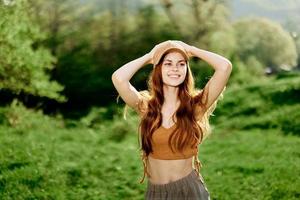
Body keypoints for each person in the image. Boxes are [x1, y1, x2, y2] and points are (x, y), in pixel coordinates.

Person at [111, 40, 232, 200]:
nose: (175, 68)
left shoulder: (195, 107)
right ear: (158, 69)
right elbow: (119, 78)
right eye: (168, 63)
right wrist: (150, 56)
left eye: (181, 64)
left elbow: (224, 67)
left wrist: (191, 49)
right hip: (156, 193)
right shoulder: (147, 108)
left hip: (188, 191)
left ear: (186, 70)